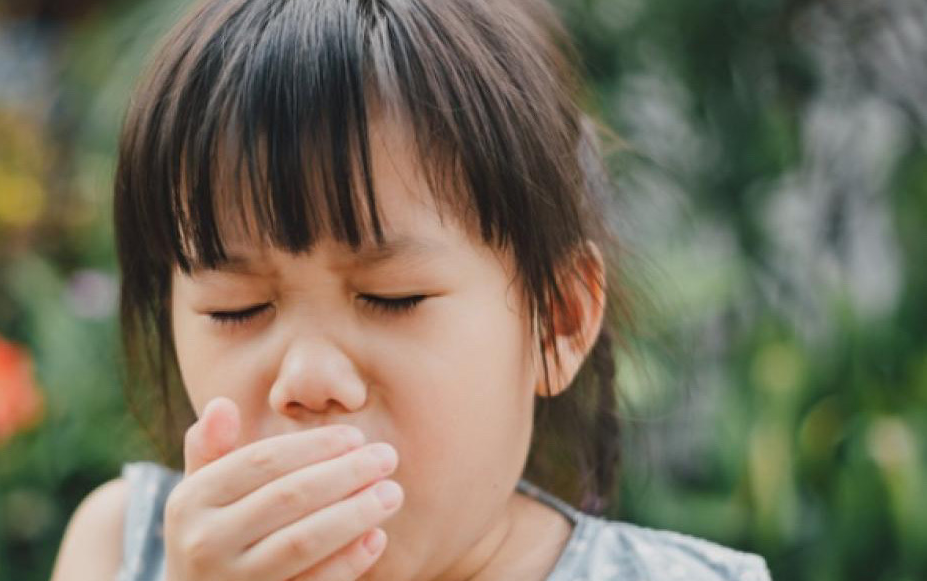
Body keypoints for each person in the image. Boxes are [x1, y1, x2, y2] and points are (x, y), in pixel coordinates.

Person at [51, 0, 773, 579]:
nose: (306, 378)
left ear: (557, 319)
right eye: (235, 308)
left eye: (390, 296)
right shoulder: (119, 544)